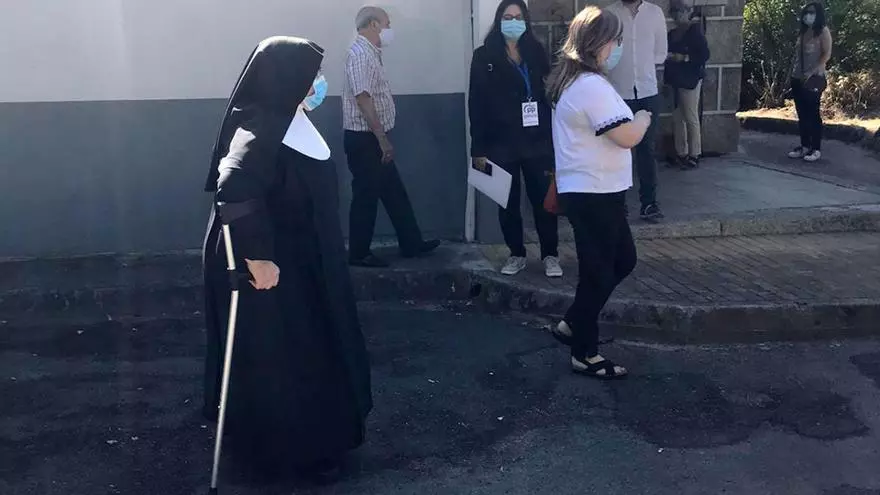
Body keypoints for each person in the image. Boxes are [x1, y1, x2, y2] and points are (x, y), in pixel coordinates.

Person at [202, 37, 372, 480]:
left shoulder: (294, 120)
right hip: (277, 270)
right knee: (289, 356)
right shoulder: (261, 123)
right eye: (312, 75)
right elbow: (234, 188)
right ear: (285, 77)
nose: (318, 83)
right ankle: (294, 453)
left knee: (317, 348)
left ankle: (326, 436)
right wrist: (258, 257)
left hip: (308, 261)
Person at [546, 6, 650, 379]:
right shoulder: (590, 85)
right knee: (600, 272)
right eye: (615, 40)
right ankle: (584, 352)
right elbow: (627, 136)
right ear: (598, 42)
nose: (617, 47)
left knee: (621, 261)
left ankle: (574, 323)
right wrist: (643, 118)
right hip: (594, 193)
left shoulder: (578, 81)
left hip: (596, 190)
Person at [468, 0, 562, 278]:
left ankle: (550, 254)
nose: (513, 22)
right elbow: (476, 103)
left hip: (536, 140)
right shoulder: (483, 56)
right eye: (507, 17)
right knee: (507, 203)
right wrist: (478, 147)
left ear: (526, 21)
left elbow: (548, 93)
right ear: (499, 20)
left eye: (518, 17)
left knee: (543, 201)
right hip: (500, 142)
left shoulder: (536, 51)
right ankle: (516, 253)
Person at [343, 6, 440, 268]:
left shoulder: (370, 53)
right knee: (366, 196)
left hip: (372, 137)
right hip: (365, 139)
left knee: (393, 192)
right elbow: (363, 99)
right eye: (387, 24)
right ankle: (359, 253)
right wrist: (381, 138)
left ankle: (411, 243)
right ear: (373, 24)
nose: (389, 30)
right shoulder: (360, 55)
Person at [607, 0, 667, 221]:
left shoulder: (655, 13)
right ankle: (617, 205)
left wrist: (641, 66)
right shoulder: (609, 15)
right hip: (617, 93)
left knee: (647, 151)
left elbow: (660, 52)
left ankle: (649, 203)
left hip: (647, 92)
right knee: (616, 152)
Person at [665, 0, 710, 170]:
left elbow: (704, 55)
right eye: (674, 12)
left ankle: (695, 154)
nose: (677, 15)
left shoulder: (695, 32)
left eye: (680, 11)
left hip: (690, 79)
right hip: (676, 80)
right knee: (678, 118)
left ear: (687, 12)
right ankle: (681, 152)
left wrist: (684, 58)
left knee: (691, 117)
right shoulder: (672, 34)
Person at [788, 2, 832, 163]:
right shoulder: (803, 32)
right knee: (802, 114)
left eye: (812, 12)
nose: (808, 15)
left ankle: (816, 148)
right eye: (806, 12)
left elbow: (826, 54)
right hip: (797, 78)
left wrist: (812, 71)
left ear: (818, 14)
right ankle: (805, 145)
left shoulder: (823, 31)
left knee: (813, 113)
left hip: (813, 79)